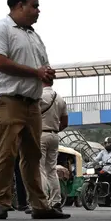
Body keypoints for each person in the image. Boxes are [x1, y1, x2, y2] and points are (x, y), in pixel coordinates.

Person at [0, 0, 69, 220]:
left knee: (33, 157)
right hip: (8, 99)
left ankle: (40, 205)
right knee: (6, 153)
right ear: (19, 6)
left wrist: (47, 75)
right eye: (34, 5)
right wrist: (36, 72)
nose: (38, 10)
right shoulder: (1, 28)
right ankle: (1, 202)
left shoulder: (34, 36)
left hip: (33, 103)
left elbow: (44, 69)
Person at [40, 80, 68, 211]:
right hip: (55, 136)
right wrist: (54, 129)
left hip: (41, 135)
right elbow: (65, 122)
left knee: (40, 169)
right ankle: (56, 201)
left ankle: (43, 201)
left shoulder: (40, 96)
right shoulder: (60, 99)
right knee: (51, 169)